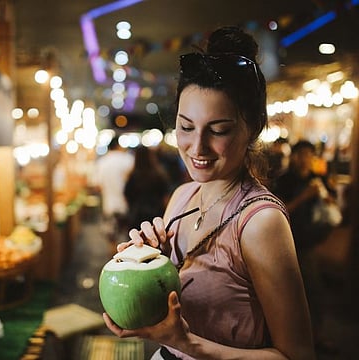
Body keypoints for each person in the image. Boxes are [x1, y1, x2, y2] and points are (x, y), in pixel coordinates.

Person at [103, 26, 315, 359]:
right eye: (186, 126)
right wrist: (148, 263)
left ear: (254, 126)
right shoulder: (182, 197)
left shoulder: (260, 223)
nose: (197, 147)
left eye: (218, 130)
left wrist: (188, 344)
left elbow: (297, 355)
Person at [272, 140, 338, 354]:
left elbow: (331, 207)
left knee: (313, 292)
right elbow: (277, 213)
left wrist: (327, 194)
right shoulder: (284, 181)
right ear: (294, 156)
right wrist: (303, 197)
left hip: (310, 245)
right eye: (301, 154)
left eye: (309, 155)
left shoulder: (316, 179)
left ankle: (315, 336)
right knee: (288, 293)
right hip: (286, 244)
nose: (305, 159)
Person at [94, 136, 134, 251]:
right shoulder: (128, 159)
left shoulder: (102, 162)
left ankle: (113, 263)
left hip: (109, 205)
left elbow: (97, 186)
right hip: (127, 206)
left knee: (112, 239)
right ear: (119, 146)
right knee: (130, 240)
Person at [124, 146, 172, 230]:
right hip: (156, 213)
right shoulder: (159, 175)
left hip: (137, 214)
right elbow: (165, 196)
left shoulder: (133, 176)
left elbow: (127, 195)